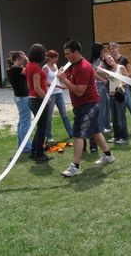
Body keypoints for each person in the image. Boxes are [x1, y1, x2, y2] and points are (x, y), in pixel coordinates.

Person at [58, 40, 115, 177]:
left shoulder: (83, 67)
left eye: (68, 54)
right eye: (65, 54)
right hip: (82, 104)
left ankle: (75, 166)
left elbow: (79, 91)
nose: (66, 57)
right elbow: (74, 83)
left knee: (78, 134)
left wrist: (64, 80)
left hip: (88, 105)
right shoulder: (73, 65)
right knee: (95, 130)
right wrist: (65, 81)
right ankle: (108, 156)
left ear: (76, 52)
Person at [24, 43, 52, 163]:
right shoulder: (35, 67)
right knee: (42, 128)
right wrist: (47, 98)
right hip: (37, 100)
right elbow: (36, 87)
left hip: (32, 99)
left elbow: (33, 84)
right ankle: (39, 155)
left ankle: (34, 151)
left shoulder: (29, 65)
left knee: (40, 127)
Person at [109, 42, 131, 133]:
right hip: (115, 90)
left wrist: (122, 78)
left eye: (114, 48)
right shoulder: (110, 62)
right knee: (120, 111)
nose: (112, 51)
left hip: (124, 89)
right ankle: (121, 129)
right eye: (111, 49)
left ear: (118, 48)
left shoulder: (123, 59)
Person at [43, 49, 73, 145]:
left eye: (57, 57)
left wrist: (61, 72)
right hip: (51, 94)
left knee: (64, 114)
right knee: (49, 117)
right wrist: (58, 85)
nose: (57, 59)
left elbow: (57, 77)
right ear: (49, 58)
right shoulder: (45, 68)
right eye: (55, 58)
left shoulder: (55, 66)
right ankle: (49, 136)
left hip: (59, 93)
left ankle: (71, 133)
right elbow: (44, 82)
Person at [6, 50, 32, 155]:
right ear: (19, 59)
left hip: (18, 98)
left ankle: (21, 144)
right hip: (23, 98)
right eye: (22, 59)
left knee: (21, 122)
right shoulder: (17, 69)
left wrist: (24, 57)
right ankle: (26, 147)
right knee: (25, 123)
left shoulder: (11, 69)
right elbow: (31, 69)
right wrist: (26, 58)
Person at [103, 53, 129, 144]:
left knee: (121, 117)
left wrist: (121, 84)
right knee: (114, 118)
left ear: (113, 58)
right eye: (106, 60)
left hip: (119, 95)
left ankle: (125, 137)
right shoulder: (109, 71)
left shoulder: (120, 67)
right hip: (111, 96)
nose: (109, 60)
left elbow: (127, 80)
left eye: (109, 58)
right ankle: (117, 136)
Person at [90, 43, 111, 135]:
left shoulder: (99, 59)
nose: (104, 51)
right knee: (102, 107)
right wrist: (103, 80)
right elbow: (94, 73)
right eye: (102, 49)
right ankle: (101, 128)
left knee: (106, 105)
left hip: (103, 85)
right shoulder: (96, 60)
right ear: (99, 50)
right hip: (100, 85)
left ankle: (107, 125)